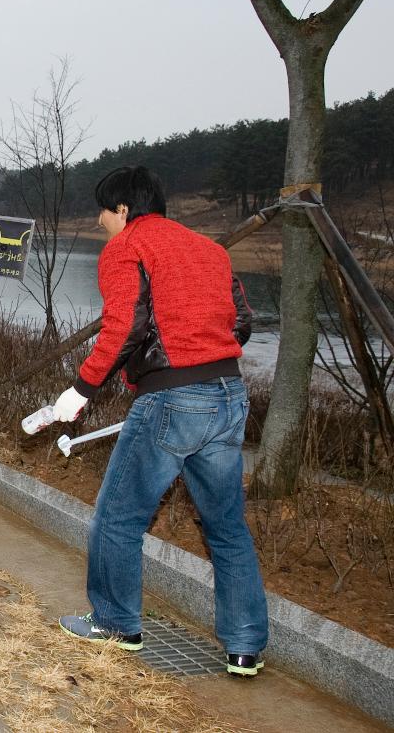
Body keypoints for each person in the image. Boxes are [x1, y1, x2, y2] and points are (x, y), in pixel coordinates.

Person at [49, 166, 267, 678]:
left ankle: (115, 623)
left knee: (119, 517)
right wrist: (206, 357)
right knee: (227, 527)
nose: (101, 221)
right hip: (229, 395)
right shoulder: (210, 250)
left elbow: (124, 324)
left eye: (103, 211)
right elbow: (242, 322)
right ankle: (245, 648)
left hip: (172, 398)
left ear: (123, 209)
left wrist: (81, 388)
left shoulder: (128, 246)